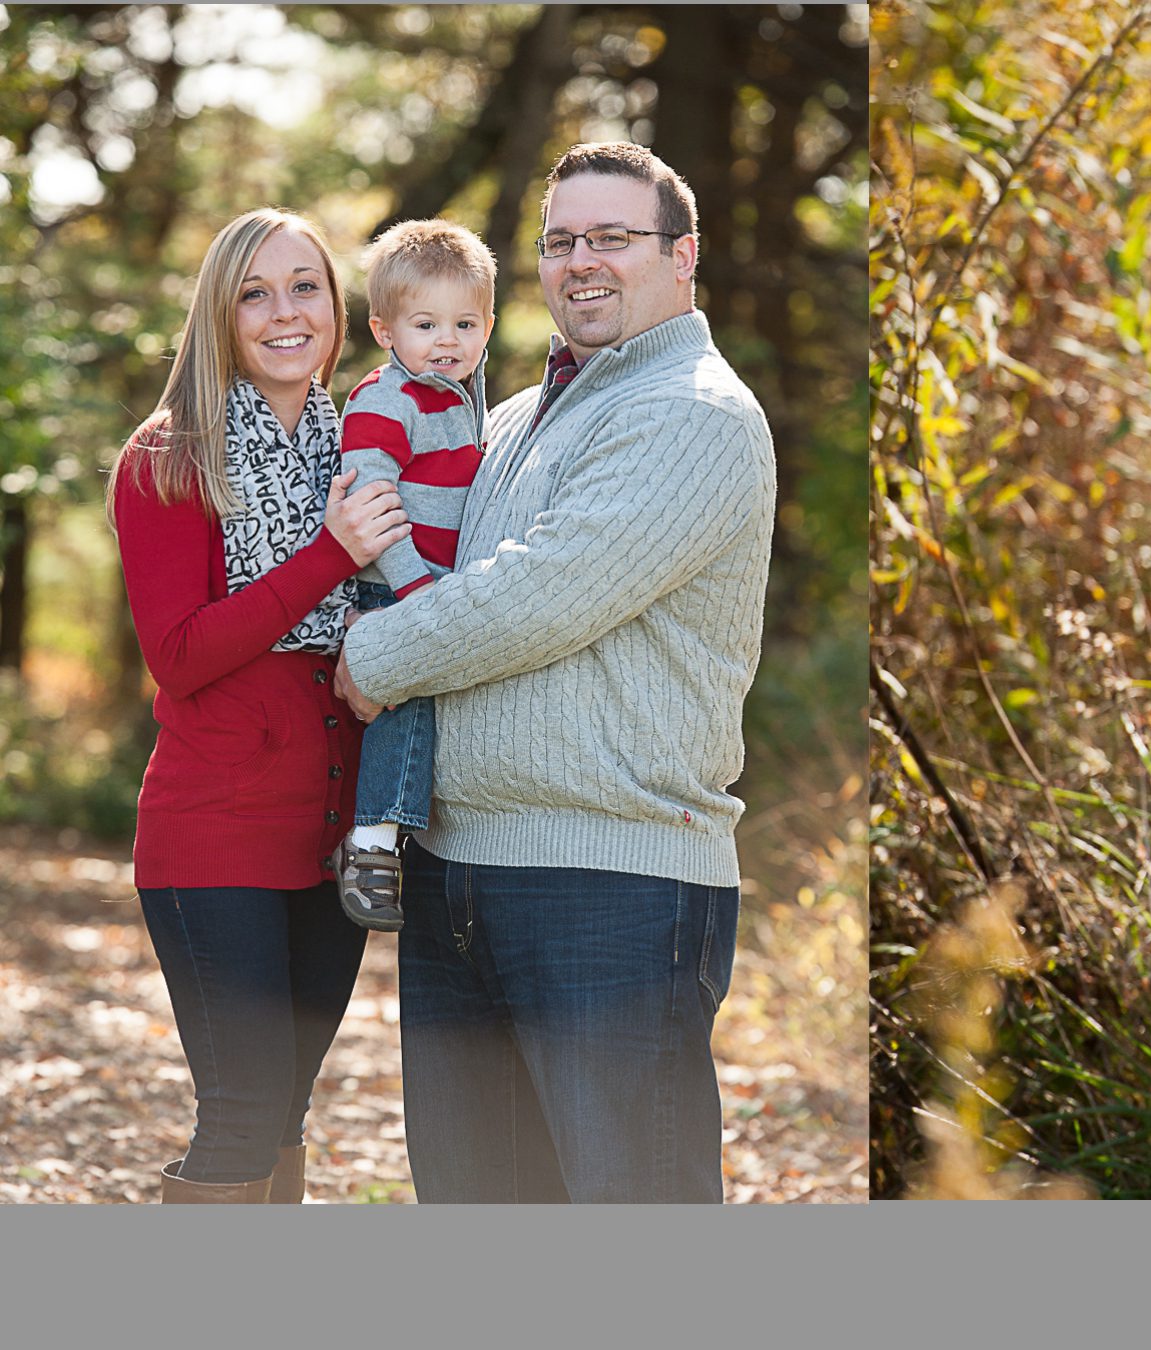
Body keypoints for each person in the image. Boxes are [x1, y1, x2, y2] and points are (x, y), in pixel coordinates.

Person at [335, 142, 776, 1203]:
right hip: (457, 877)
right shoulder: (506, 422)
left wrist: (373, 655)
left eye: (612, 237)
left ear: (683, 256)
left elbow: (543, 594)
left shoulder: (692, 411)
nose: (582, 260)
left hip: (611, 887)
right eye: (561, 240)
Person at [112, 206, 413, 1202]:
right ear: (221, 315)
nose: (285, 313)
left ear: (337, 308)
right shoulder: (169, 457)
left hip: (331, 831)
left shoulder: (365, 449)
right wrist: (332, 553)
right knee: (241, 1110)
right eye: (255, 294)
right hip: (216, 830)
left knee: (285, 1111)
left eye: (305, 287)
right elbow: (179, 655)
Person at [329, 219, 497, 932]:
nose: (446, 340)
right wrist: (416, 593)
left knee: (424, 705)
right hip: (397, 583)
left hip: (432, 585)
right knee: (405, 703)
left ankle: (396, 833)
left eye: (465, 324)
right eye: (425, 325)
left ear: (488, 327)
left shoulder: (461, 398)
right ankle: (371, 840)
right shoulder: (386, 398)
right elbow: (372, 501)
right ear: (384, 330)